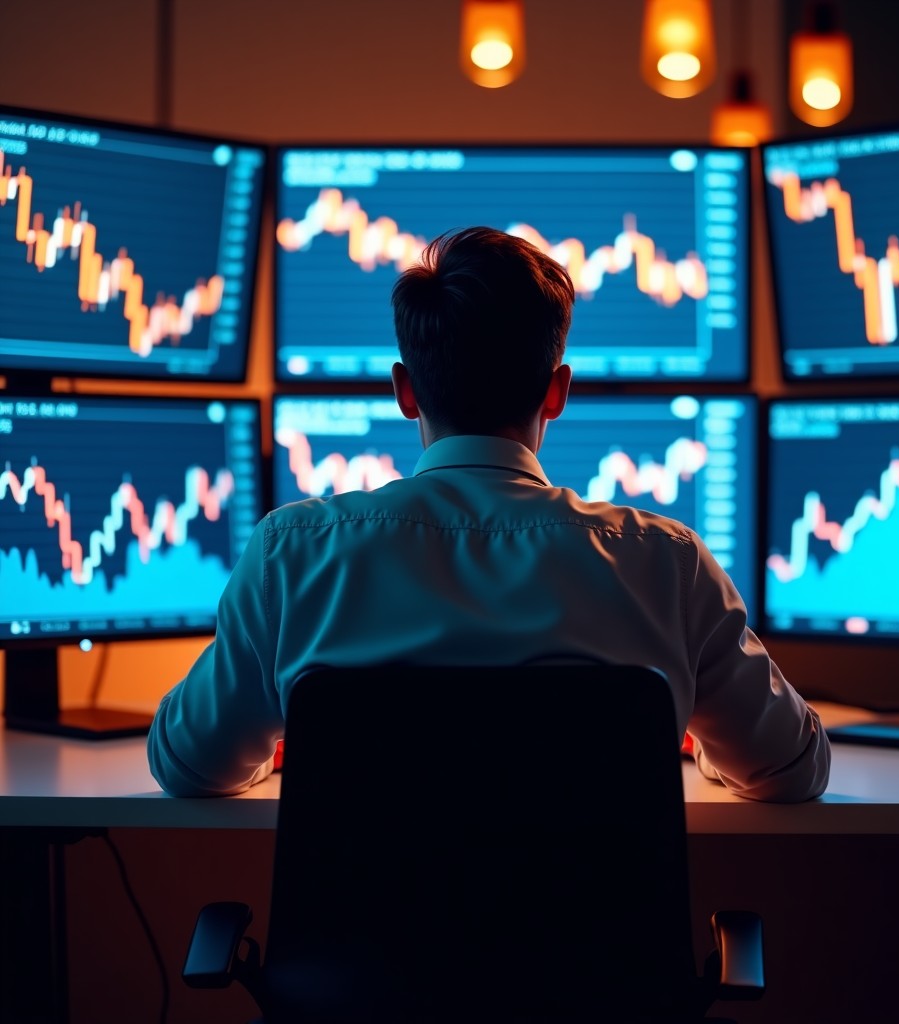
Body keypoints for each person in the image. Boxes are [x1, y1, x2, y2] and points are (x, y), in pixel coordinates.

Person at [148, 225, 830, 801]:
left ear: (405, 392)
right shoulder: (666, 563)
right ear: (557, 392)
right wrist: (695, 748)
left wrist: (290, 745)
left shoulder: (292, 554)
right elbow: (793, 771)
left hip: (363, 963)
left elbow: (187, 766)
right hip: (594, 962)